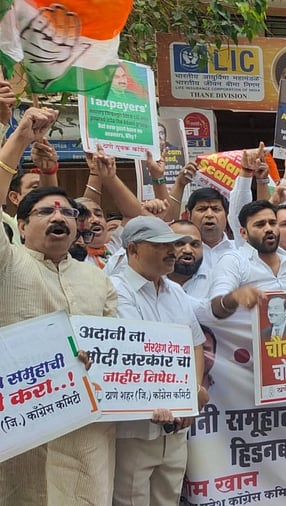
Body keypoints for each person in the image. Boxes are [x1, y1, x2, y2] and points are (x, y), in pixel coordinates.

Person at [0, 107, 119, 505]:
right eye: (45, 211)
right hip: (21, 428)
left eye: (67, 212)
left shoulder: (97, 277)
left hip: (86, 427)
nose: (59, 217)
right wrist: (19, 138)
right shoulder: (8, 261)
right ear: (20, 225)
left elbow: (119, 347)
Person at [110, 216, 207, 506]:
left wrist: (192, 394)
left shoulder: (175, 291)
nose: (172, 251)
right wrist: (167, 398)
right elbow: (136, 352)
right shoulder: (115, 290)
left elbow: (195, 345)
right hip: (136, 428)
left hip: (176, 427)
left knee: (169, 499)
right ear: (134, 249)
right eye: (161, 245)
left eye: (173, 244)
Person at [209, 200, 286, 320]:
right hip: (247, 338)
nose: (269, 229)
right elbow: (216, 308)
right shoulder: (233, 261)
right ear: (244, 233)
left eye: (273, 223)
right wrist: (234, 298)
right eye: (260, 225)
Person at [187, 187, 234, 265]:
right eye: (202, 209)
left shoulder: (239, 249)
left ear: (226, 215)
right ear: (189, 215)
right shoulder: (182, 252)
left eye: (216, 209)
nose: (209, 215)